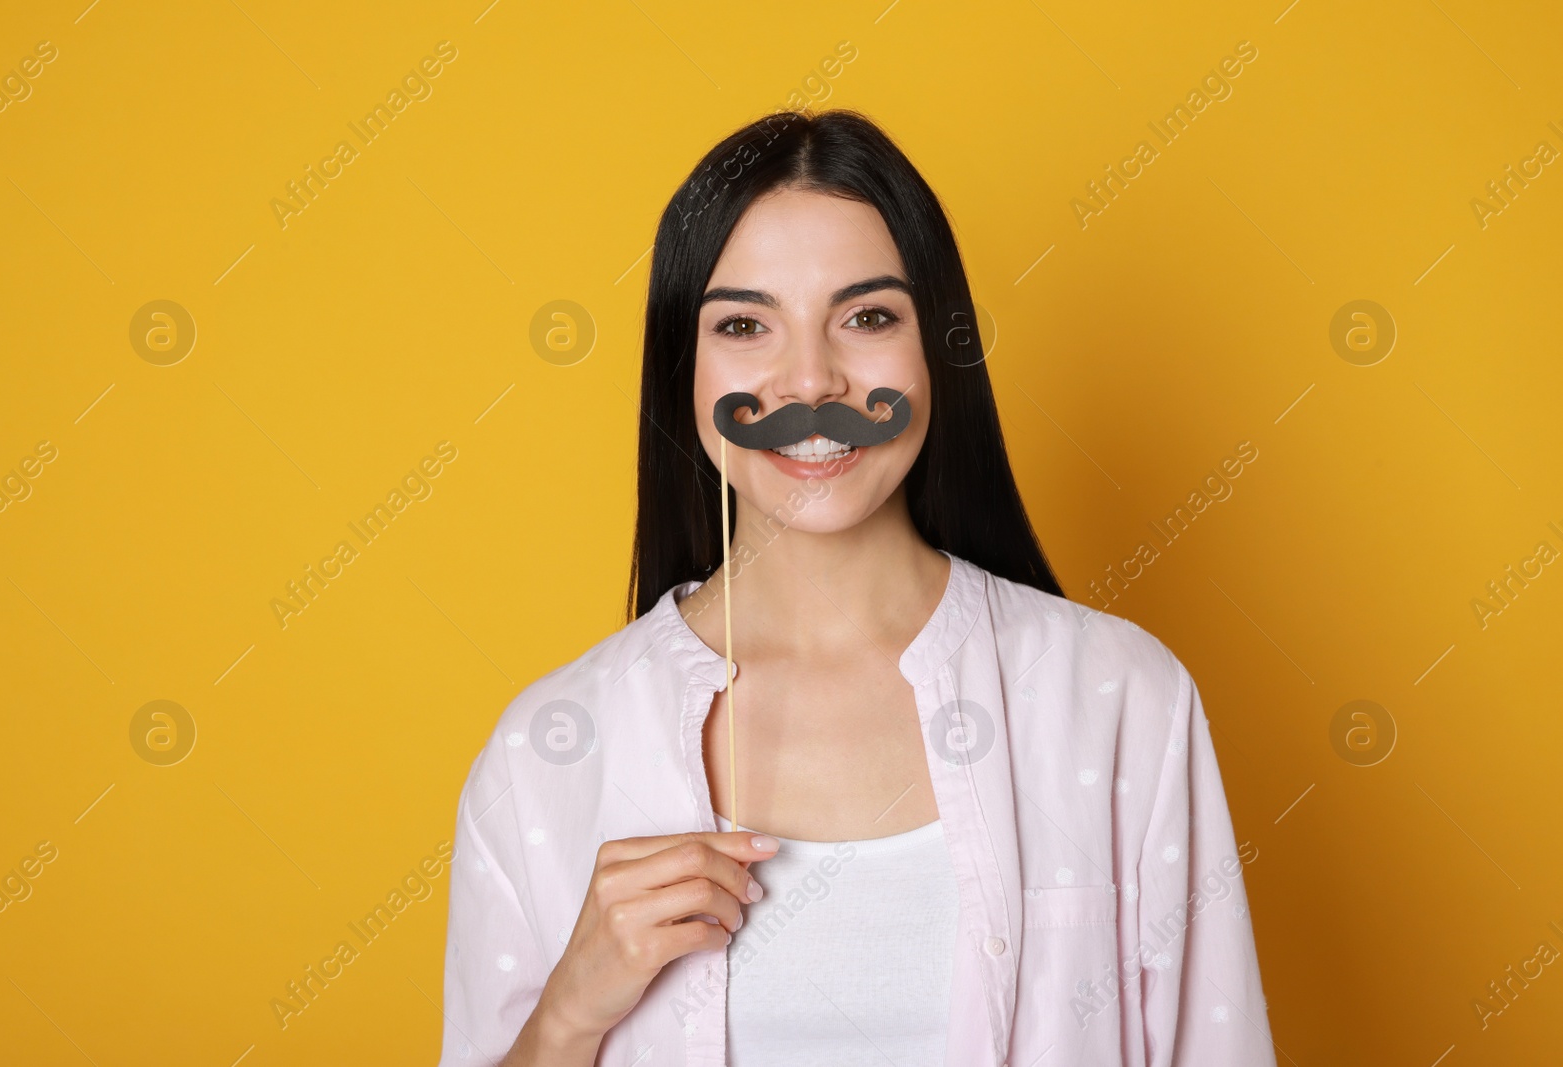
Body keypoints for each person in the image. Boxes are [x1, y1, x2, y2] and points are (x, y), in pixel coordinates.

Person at [438, 108, 1277, 1067]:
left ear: (938, 352)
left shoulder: (1121, 698)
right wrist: (566, 1018)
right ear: (684, 369)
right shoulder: (546, 754)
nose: (809, 380)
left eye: (868, 315)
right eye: (746, 324)